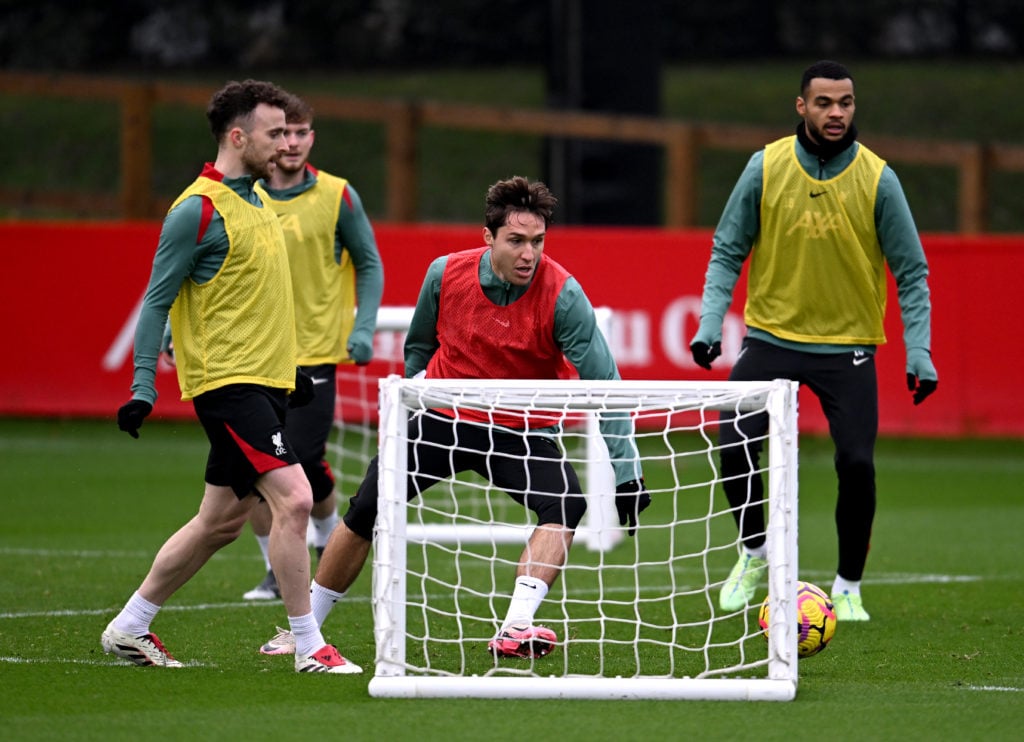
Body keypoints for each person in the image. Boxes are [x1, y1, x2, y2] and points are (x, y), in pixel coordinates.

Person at [258, 175, 651, 661]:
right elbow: (419, 344)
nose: (529, 254)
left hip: (518, 427)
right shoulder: (444, 273)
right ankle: (305, 631)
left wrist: (627, 471)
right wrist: (407, 408)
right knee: (366, 511)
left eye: (538, 241)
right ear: (488, 238)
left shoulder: (563, 295)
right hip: (442, 417)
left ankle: (516, 627)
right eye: (516, 241)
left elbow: (605, 384)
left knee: (567, 503)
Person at [103, 79, 360, 673]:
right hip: (228, 386)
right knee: (295, 499)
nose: (286, 144)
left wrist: (290, 369)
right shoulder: (196, 209)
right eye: (274, 133)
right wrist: (144, 383)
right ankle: (308, 645)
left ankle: (129, 626)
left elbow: (257, 301)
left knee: (218, 523)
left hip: (266, 385)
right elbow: (156, 301)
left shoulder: (259, 203)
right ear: (238, 136)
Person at [689, 60, 938, 622]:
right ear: (801, 107)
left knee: (856, 464)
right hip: (771, 338)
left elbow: (912, 271)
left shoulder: (879, 178)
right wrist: (711, 322)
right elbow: (728, 249)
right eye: (824, 102)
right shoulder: (765, 166)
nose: (836, 113)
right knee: (733, 445)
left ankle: (848, 585)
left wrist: (918, 350)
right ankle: (755, 555)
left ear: (854, 107)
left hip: (847, 347)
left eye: (845, 103)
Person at [241, 93, 384, 602]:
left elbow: (369, 262)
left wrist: (362, 327)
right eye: (283, 133)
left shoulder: (337, 195)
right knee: (252, 466)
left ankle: (323, 542)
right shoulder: (241, 195)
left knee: (297, 457)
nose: (292, 143)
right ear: (267, 139)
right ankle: (275, 572)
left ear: (312, 138)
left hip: (315, 352)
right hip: (253, 353)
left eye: (302, 133)